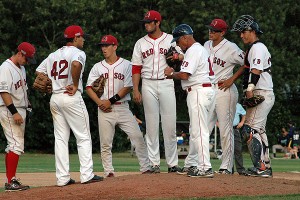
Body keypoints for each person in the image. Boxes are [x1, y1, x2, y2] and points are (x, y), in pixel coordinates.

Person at [36, 25, 103, 186]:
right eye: (81, 37)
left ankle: (62, 178)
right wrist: (73, 83)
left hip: (55, 98)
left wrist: (51, 83)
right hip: (71, 97)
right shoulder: (78, 52)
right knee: (83, 136)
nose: (84, 39)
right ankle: (87, 175)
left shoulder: (53, 55)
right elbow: (75, 65)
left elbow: (39, 71)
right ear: (75, 38)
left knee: (60, 138)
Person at [86, 35, 151, 177]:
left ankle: (145, 168)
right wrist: (100, 103)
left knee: (137, 137)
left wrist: (109, 101)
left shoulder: (126, 65)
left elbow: (128, 87)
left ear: (115, 46)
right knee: (105, 144)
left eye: (107, 45)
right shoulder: (97, 67)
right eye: (102, 46)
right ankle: (108, 171)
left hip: (122, 107)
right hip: (104, 110)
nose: (104, 48)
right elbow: (89, 87)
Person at [164, 24, 216, 178]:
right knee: (196, 131)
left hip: (199, 91)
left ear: (186, 37)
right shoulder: (197, 50)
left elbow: (185, 75)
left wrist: (171, 73)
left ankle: (205, 167)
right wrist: (179, 58)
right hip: (204, 90)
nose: (178, 44)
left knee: (199, 131)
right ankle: (192, 164)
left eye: (179, 41)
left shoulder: (194, 50)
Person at [131, 10, 180, 173]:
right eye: (145, 22)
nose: (146, 24)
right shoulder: (140, 43)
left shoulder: (171, 40)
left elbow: (182, 58)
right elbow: (136, 67)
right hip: (148, 84)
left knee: (170, 125)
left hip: (167, 82)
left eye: (149, 22)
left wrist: (177, 59)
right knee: (151, 126)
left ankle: (172, 164)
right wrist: (136, 89)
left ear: (158, 22)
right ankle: (154, 163)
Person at [232, 15, 275, 177]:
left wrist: (250, 89)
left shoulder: (257, 47)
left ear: (253, 31)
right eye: (240, 33)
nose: (241, 35)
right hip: (264, 92)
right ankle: (265, 167)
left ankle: (262, 167)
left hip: (261, 92)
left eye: (244, 32)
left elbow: (255, 70)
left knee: (251, 129)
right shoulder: (255, 48)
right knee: (259, 130)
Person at [203, 18, 246, 175]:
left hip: (224, 90)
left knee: (226, 130)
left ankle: (226, 167)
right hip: (209, 90)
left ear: (223, 32)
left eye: (215, 30)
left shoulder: (231, 47)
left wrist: (232, 79)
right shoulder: (206, 45)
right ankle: (201, 163)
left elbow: (247, 62)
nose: (211, 32)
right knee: (204, 127)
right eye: (210, 29)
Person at [0, 42, 36, 191]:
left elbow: (22, 90)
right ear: (20, 53)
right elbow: (3, 92)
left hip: (19, 109)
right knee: (16, 144)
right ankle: (11, 182)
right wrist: (14, 112)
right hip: (9, 109)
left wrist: (28, 105)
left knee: (14, 145)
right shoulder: (5, 68)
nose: (27, 62)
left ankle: (11, 180)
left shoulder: (21, 68)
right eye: (26, 59)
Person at [232, 103, 247, 175]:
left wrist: (242, 122)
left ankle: (240, 169)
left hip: (235, 129)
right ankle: (229, 169)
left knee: (238, 149)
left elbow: (244, 114)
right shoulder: (222, 104)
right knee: (227, 150)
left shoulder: (238, 105)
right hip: (226, 129)